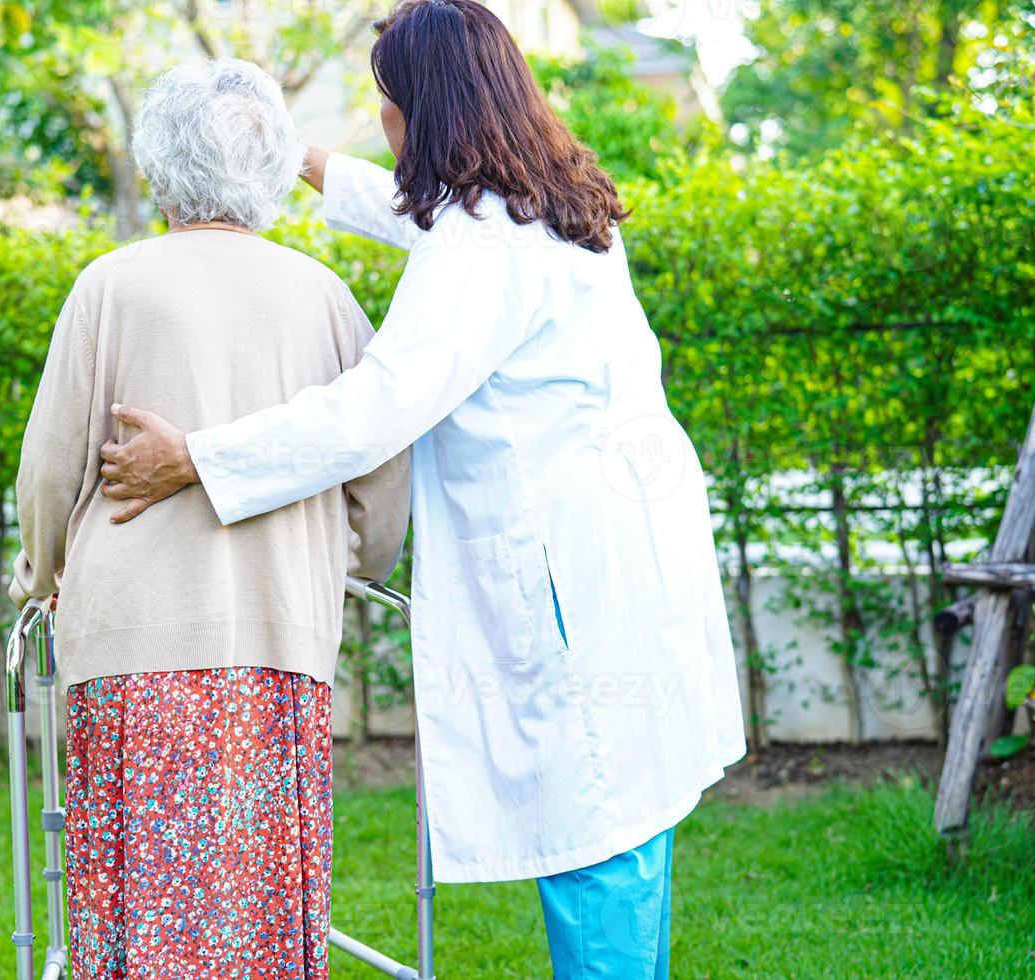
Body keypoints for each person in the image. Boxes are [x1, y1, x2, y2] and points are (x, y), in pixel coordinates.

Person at [97, 3, 746, 976]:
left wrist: (198, 456)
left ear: (428, 114)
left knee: (596, 834)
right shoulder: (549, 199)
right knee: (627, 823)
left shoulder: (478, 251)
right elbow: (415, 213)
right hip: (625, 549)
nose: (385, 129)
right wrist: (295, 155)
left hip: (570, 573)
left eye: (389, 108)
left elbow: (373, 409)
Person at [7, 58, 409, 978]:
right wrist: (338, 558)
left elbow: (48, 467)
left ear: (158, 163)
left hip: (128, 642)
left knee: (134, 903)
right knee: (267, 908)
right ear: (269, 168)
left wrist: (43, 576)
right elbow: (384, 482)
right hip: (279, 636)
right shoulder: (326, 298)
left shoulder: (110, 286)